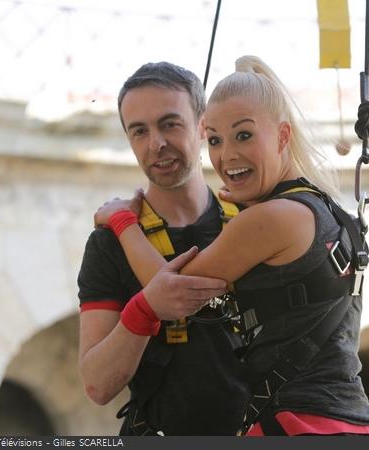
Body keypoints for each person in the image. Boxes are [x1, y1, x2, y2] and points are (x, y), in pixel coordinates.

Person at [94, 55, 369, 436]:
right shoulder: (318, 206)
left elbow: (171, 290)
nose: (227, 155)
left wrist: (122, 222)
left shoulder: (268, 219)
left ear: (282, 136)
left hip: (302, 424)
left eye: (244, 135)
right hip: (350, 421)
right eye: (214, 139)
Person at [77, 61, 251, 436]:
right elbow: (97, 385)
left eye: (170, 123)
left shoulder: (254, 221)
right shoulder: (109, 244)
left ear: (203, 126)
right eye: (139, 131)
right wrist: (144, 311)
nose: (156, 144)